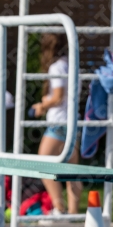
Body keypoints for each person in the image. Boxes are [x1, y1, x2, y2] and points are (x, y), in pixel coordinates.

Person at [32, 34, 82, 216]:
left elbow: (58, 97)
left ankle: (59, 208)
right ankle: (74, 212)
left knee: (43, 164)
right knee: (72, 170)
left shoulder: (57, 66)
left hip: (59, 122)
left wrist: (42, 104)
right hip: (72, 121)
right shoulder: (72, 63)